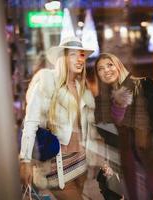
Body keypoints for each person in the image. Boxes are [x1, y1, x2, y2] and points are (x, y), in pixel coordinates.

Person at [94, 53, 153, 200]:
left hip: (150, 160)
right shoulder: (101, 102)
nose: (106, 70)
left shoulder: (144, 85)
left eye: (110, 65)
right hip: (126, 164)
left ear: (118, 65)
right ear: (98, 74)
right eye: (100, 68)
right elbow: (108, 135)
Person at [19, 36, 104, 200]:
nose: (79, 59)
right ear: (62, 58)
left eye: (81, 55)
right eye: (73, 55)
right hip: (56, 167)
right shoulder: (46, 83)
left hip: (80, 163)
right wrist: (25, 160)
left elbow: (83, 129)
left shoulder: (80, 87)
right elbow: (30, 124)